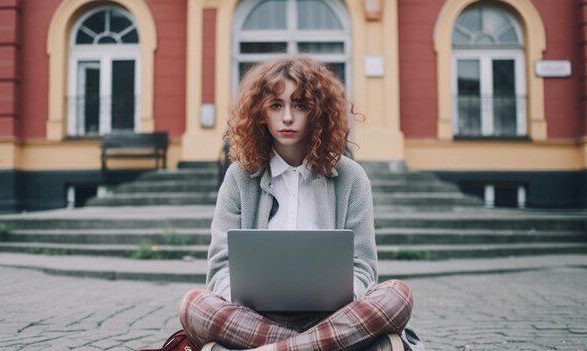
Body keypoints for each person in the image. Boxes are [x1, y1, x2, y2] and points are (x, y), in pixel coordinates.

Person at [178, 56, 424, 351]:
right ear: (260, 113)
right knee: (193, 303)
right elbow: (219, 268)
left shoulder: (351, 177)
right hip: (256, 318)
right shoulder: (238, 178)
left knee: (398, 294)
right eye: (276, 105)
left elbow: (363, 268)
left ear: (319, 113)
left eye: (300, 105)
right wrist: (242, 300)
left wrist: (343, 303)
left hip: (335, 316)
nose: (287, 118)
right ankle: (322, 346)